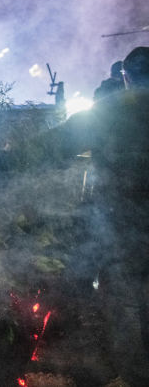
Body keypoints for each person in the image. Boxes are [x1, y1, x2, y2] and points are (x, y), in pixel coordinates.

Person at [41, 47, 149, 387]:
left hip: (124, 224)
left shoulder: (111, 110)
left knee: (125, 302)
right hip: (129, 221)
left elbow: (54, 144)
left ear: (126, 77)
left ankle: (136, 377)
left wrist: (9, 152)